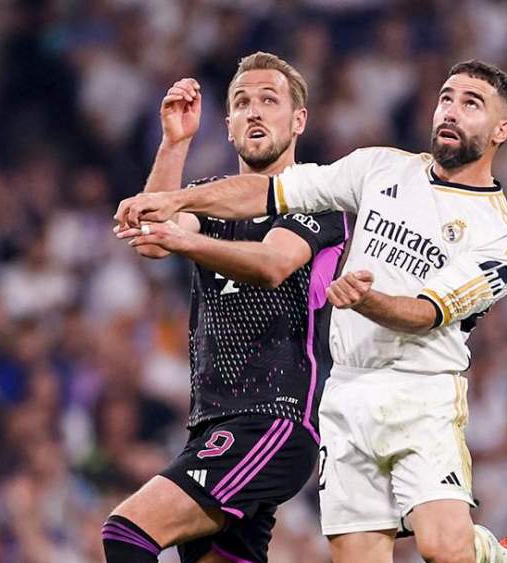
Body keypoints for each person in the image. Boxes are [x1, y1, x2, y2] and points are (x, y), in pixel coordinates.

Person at [115, 59, 507, 563]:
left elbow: (425, 312)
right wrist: (172, 183)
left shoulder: (501, 237)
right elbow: (264, 194)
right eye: (446, 98)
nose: (451, 111)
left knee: (444, 548)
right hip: (343, 396)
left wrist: (366, 299)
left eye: (471, 104)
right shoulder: (380, 168)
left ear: (501, 130)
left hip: (411, 391)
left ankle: (496, 555)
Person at [103, 52, 347, 563]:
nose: (254, 111)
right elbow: (149, 237)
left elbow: (272, 264)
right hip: (211, 424)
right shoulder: (204, 200)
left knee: (127, 532)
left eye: (268, 100)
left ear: (298, 120)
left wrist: (182, 235)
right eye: (241, 102)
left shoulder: (319, 200)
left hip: (272, 420)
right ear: (229, 125)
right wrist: (175, 144)